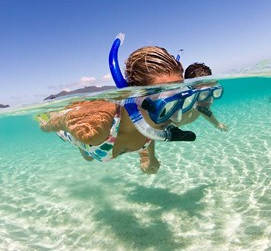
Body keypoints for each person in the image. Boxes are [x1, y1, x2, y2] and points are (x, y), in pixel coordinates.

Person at [38, 36, 197, 175]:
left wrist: (148, 157)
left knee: (88, 158)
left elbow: (149, 131)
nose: (176, 115)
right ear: (136, 97)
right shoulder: (97, 127)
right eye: (165, 102)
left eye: (179, 100)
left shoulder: (155, 119)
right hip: (79, 133)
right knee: (88, 156)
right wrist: (46, 125)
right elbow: (58, 122)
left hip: (103, 143)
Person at [182, 62, 228, 131]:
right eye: (204, 94)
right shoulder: (182, 104)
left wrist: (217, 124)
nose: (210, 100)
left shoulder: (199, 105)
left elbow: (204, 111)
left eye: (212, 92)